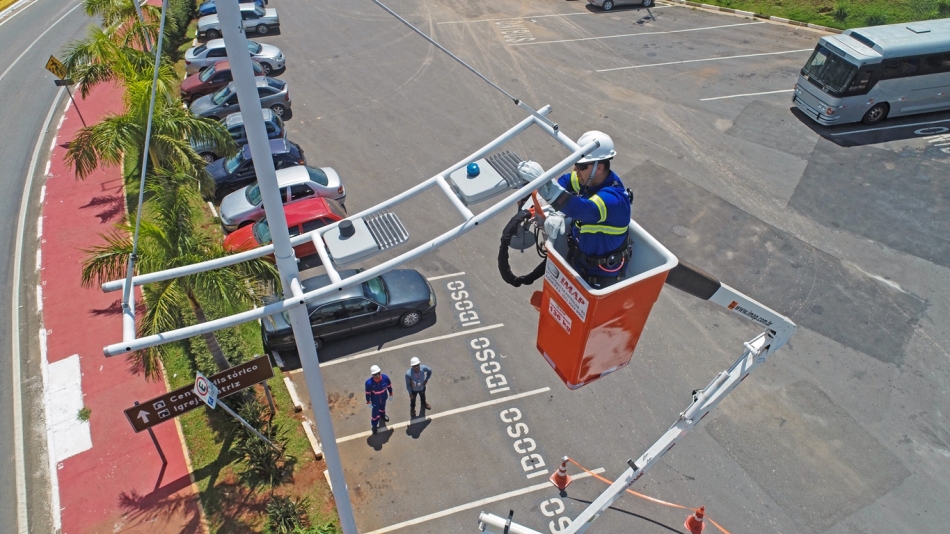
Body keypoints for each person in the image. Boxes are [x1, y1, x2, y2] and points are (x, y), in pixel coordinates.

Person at [522, 130, 632, 289]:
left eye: (580, 166)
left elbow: (584, 210)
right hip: (578, 262)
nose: (576, 170)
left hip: (599, 279)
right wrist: (557, 211)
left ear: (599, 168)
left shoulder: (614, 200)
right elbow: (565, 181)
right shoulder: (590, 179)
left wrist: (547, 188)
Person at [365, 365, 393, 434]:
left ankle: (382, 415)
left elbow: (389, 386)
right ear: (372, 375)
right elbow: (368, 393)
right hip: (375, 400)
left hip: (383, 397)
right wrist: (368, 401)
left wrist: (391, 393)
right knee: (375, 414)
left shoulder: (385, 378)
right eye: (375, 374)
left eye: (378, 373)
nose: (377, 376)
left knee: (382, 408)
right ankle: (374, 425)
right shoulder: (369, 383)